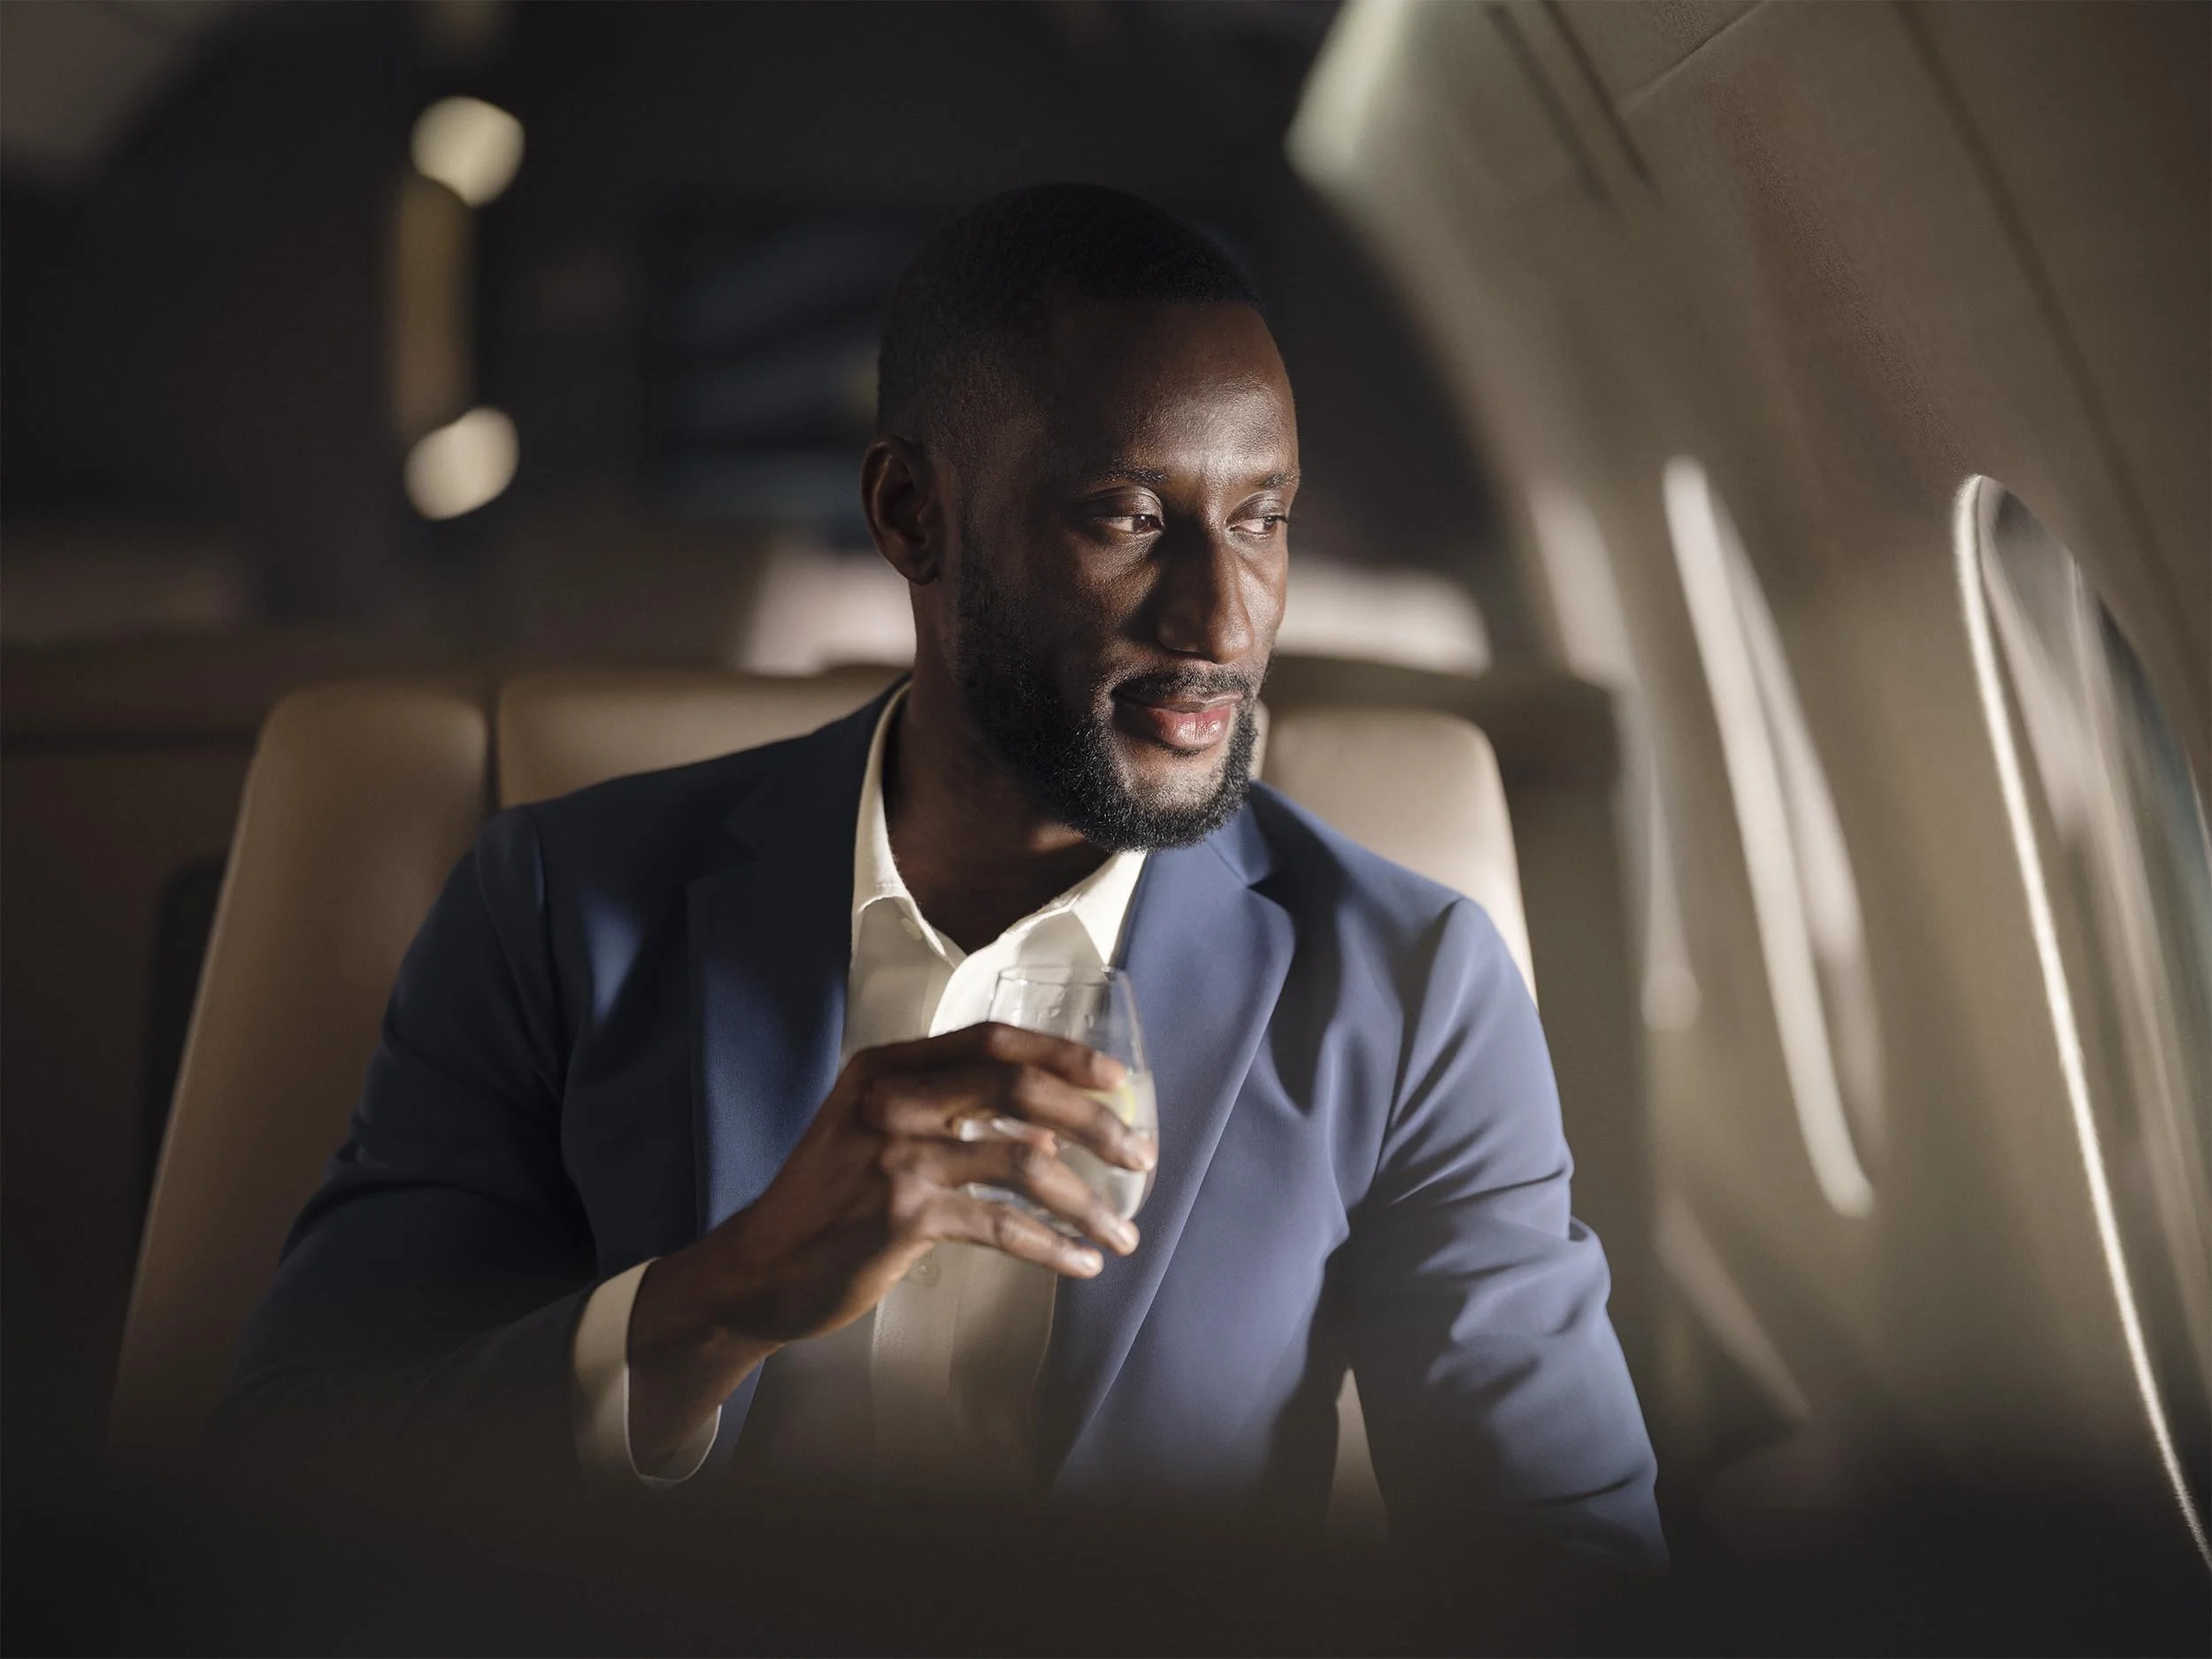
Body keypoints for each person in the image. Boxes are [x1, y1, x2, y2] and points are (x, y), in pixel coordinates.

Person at [223, 183, 1663, 1570]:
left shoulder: (1409, 989)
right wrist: (723, 1296)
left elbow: (1565, 1554)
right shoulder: (556, 906)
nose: (1222, 616)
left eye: (1263, 516)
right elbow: (292, 1472)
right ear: (912, 513)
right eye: (1127, 514)